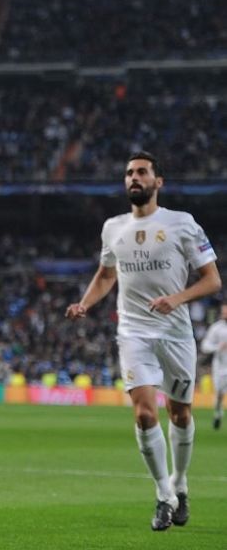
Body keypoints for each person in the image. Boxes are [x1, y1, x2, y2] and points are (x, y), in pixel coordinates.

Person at [65, 151, 221, 532]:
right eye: (129, 173)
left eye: (142, 172)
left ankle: (180, 483)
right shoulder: (113, 228)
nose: (134, 177)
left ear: (158, 182)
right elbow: (106, 275)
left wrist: (177, 299)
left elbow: (212, 280)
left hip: (175, 333)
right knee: (145, 414)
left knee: (180, 414)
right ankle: (163, 495)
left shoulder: (182, 223)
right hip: (133, 332)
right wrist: (85, 303)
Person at [200, 301, 227, 430]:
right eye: (224, 311)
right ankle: (217, 414)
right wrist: (218, 347)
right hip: (221, 366)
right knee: (219, 393)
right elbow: (205, 346)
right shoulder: (216, 328)